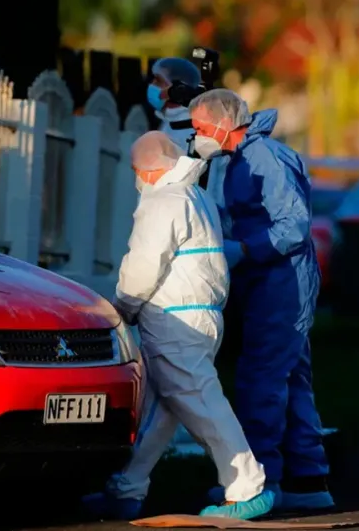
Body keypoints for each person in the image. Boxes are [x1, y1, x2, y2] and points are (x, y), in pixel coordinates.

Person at [82, 131, 275, 521]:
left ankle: (247, 487)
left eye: (137, 171)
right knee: (159, 411)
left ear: (148, 170)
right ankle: (126, 490)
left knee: (202, 404)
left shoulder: (163, 201)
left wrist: (123, 307)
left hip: (175, 321)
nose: (137, 179)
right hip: (198, 316)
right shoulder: (196, 196)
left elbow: (143, 265)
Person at [188, 89, 334, 510]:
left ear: (223, 123)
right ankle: (308, 481)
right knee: (291, 378)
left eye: (200, 128)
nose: (198, 136)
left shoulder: (265, 158)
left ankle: (260, 483)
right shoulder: (242, 159)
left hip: (281, 281)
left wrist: (246, 249)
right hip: (272, 280)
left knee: (261, 379)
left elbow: (294, 226)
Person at [147, 58, 201, 152]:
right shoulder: (169, 119)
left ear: (177, 89)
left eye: (159, 81)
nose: (152, 85)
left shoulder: (187, 129)